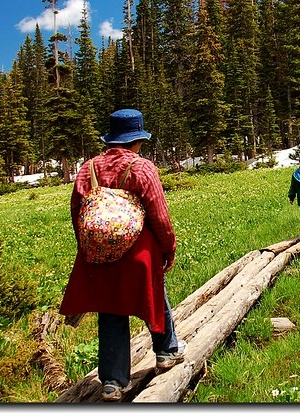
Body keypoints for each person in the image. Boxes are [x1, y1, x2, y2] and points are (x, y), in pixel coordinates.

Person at [59, 109, 186, 402]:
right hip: (138, 251)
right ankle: (166, 352)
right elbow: (159, 213)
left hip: (100, 252)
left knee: (110, 310)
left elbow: (77, 211)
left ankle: (113, 382)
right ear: (137, 139)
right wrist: (168, 247)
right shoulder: (141, 168)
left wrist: (89, 245)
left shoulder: (87, 168)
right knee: (154, 295)